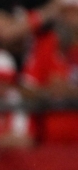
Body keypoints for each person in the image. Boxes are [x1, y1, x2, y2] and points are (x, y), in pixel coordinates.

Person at [22, 0, 78, 143]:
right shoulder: (45, 44)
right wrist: (48, 92)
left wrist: (71, 92)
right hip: (49, 138)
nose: (72, 19)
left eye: (75, 12)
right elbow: (26, 87)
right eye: (66, 12)